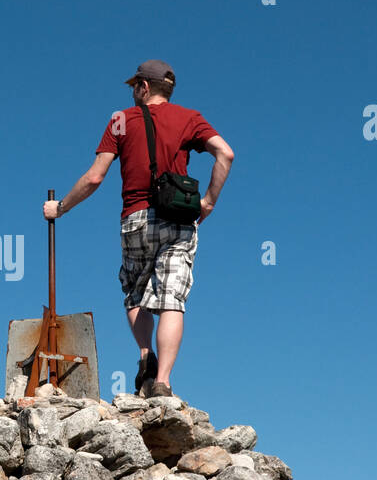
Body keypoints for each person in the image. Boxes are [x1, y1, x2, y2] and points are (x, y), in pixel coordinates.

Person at [43, 60, 234, 398]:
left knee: (136, 294)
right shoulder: (191, 118)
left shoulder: (121, 120)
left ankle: (145, 354)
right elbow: (226, 154)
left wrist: (59, 208)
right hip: (178, 219)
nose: (132, 92)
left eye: (134, 86)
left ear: (144, 87)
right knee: (172, 300)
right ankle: (163, 382)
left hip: (135, 219)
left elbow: (94, 177)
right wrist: (208, 201)